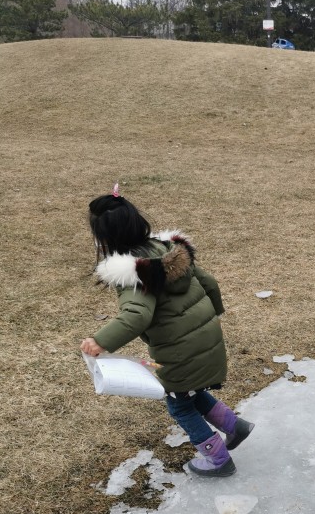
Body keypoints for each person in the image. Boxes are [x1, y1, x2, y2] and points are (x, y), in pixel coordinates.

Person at [80, 185, 253, 476]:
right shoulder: (169, 252)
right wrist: (210, 319)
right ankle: (234, 426)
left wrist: (100, 341)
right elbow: (209, 283)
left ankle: (218, 460)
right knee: (188, 392)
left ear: (104, 238)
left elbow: (136, 315)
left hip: (179, 351)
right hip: (205, 338)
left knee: (179, 405)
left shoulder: (136, 273)